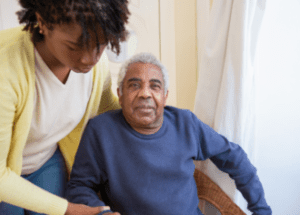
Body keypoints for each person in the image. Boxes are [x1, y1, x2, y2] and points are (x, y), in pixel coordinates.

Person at [66, 52, 272, 215]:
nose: (145, 93)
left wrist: (261, 209)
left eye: (154, 86)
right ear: (120, 94)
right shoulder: (101, 130)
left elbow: (235, 158)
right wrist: (102, 213)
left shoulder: (185, 123)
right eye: (134, 85)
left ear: (165, 97)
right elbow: (78, 187)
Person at [0, 0, 130, 214]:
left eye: (100, 45)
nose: (90, 59)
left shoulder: (98, 68)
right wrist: (67, 209)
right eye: (74, 46)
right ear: (42, 22)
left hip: (45, 161)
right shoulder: (6, 70)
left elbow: (111, 113)